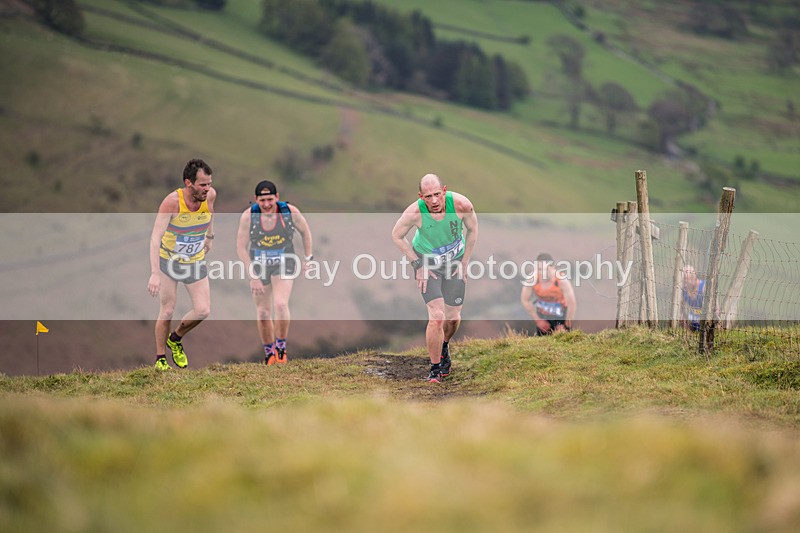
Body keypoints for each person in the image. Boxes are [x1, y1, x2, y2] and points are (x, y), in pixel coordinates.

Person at [391, 173, 478, 383]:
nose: (434, 201)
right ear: (421, 196)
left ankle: (444, 345)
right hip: (427, 265)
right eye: (428, 197)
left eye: (437, 194)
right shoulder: (414, 212)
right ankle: (435, 368)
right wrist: (417, 264)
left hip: (454, 263)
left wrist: (465, 262)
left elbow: (473, 230)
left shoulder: (462, 205)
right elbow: (396, 235)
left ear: (444, 191)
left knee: (453, 318)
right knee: (437, 316)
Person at [148, 159, 216, 370]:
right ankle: (160, 359)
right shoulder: (172, 202)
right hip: (169, 261)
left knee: (203, 310)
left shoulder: (210, 195)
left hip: (194, 260)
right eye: (202, 184)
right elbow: (155, 238)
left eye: (209, 183)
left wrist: (209, 237)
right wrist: (155, 273)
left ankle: (175, 339)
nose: (207, 188)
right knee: (167, 311)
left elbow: (210, 212)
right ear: (189, 183)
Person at [236, 180, 313, 365]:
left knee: (280, 305)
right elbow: (241, 248)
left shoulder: (289, 212)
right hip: (259, 264)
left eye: (270, 199)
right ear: (256, 200)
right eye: (262, 200)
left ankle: (281, 349)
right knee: (263, 312)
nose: (266, 204)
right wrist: (253, 276)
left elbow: (305, 232)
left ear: (277, 197)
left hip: (284, 261)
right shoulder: (249, 216)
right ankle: (269, 353)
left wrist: (308, 258)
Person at [520, 253, 577, 335]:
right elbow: (525, 300)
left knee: (563, 339)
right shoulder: (532, 279)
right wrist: (538, 320)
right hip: (542, 316)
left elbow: (572, 304)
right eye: (539, 269)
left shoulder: (561, 280)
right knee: (542, 341)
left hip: (561, 316)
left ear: (553, 267)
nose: (542, 272)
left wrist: (566, 326)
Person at [681, 264, 705, 331]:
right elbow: (681, 309)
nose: (684, 284)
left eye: (686, 280)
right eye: (683, 281)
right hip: (691, 323)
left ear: (693, 277)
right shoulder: (684, 289)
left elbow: (716, 309)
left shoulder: (704, 287)